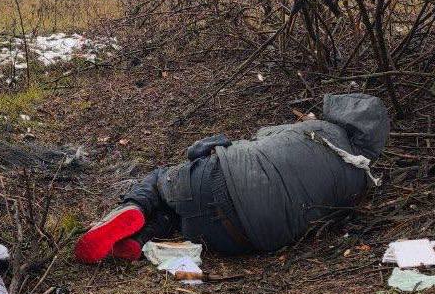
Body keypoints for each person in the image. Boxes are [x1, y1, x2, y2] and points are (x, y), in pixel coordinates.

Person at [74, 93, 390, 263]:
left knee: (160, 181)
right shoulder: (360, 181)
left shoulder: (320, 130)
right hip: (242, 240)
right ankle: (138, 241)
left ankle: (132, 210)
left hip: (224, 182)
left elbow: (258, 141)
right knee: (179, 213)